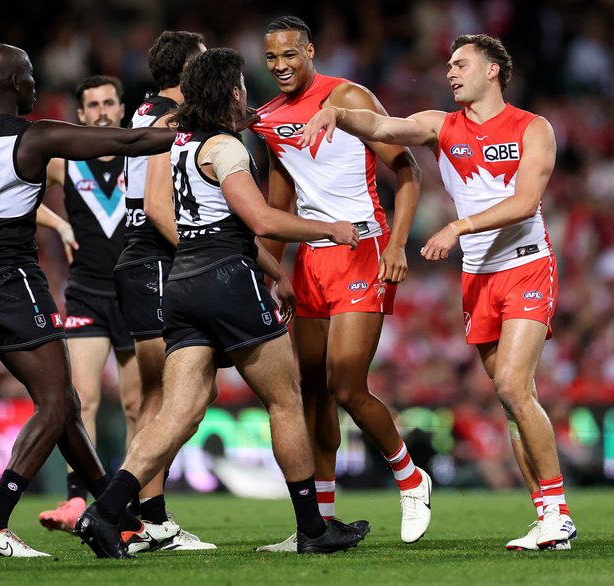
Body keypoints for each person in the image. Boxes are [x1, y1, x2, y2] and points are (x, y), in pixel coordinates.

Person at [74, 47, 370, 559]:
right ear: (232, 91)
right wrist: (330, 229)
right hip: (228, 278)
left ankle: (104, 512)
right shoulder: (226, 149)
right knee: (284, 400)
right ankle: (313, 529)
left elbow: (161, 209)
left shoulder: (176, 143)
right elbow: (262, 221)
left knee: (177, 411)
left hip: (182, 281)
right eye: (242, 87)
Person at [299, 33, 577, 551]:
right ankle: (547, 518)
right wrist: (337, 113)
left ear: (492, 70)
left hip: (526, 267)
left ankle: (557, 512)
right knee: (515, 400)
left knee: (514, 387)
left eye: (461, 64)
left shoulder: (532, 128)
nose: (451, 72)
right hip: (478, 278)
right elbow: (383, 126)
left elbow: (525, 201)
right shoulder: (439, 125)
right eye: (449, 65)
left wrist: (457, 227)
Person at [0, 43, 174, 557]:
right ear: (11, 84)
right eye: (29, 74)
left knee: (64, 404)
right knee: (57, 403)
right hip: (12, 281)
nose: (36, 83)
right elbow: (129, 139)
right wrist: (196, 125)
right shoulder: (35, 137)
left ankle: (115, 519)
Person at [251, 16, 428, 551]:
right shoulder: (266, 120)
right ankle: (318, 524)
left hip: (363, 251)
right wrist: (273, 274)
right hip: (310, 261)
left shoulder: (349, 96)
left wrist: (397, 243)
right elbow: (279, 205)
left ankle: (410, 477)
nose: (280, 66)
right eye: (271, 58)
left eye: (289, 55)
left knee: (346, 385)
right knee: (310, 394)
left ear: (309, 51)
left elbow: (409, 169)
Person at [112, 31, 216, 552]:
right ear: (188, 68)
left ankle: (146, 516)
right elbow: (157, 205)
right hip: (154, 257)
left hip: (146, 260)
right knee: (163, 396)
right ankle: (149, 521)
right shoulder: (167, 119)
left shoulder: (147, 110)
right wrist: (204, 250)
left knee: (183, 395)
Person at [37, 75, 142, 533]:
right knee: (81, 402)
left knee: (139, 406)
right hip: (86, 293)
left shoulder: (140, 156)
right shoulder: (64, 162)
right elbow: (16, 192)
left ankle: (133, 504)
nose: (100, 111)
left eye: (108, 103)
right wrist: (59, 225)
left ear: (122, 109)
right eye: (92, 105)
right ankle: (76, 500)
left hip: (137, 294)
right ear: (80, 115)